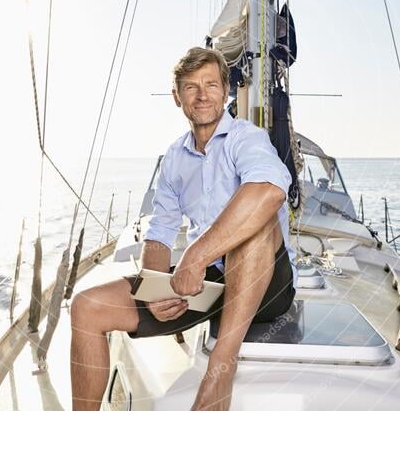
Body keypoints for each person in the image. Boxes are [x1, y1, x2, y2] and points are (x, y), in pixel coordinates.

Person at [70, 47, 296, 411]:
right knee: (86, 307)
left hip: (266, 286)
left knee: (253, 221)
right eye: (191, 87)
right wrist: (155, 288)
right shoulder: (175, 157)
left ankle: (220, 371)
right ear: (177, 97)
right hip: (208, 286)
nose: (202, 94)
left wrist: (196, 254)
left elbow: (268, 190)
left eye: (211, 84)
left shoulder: (245, 138)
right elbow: (160, 232)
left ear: (226, 91)